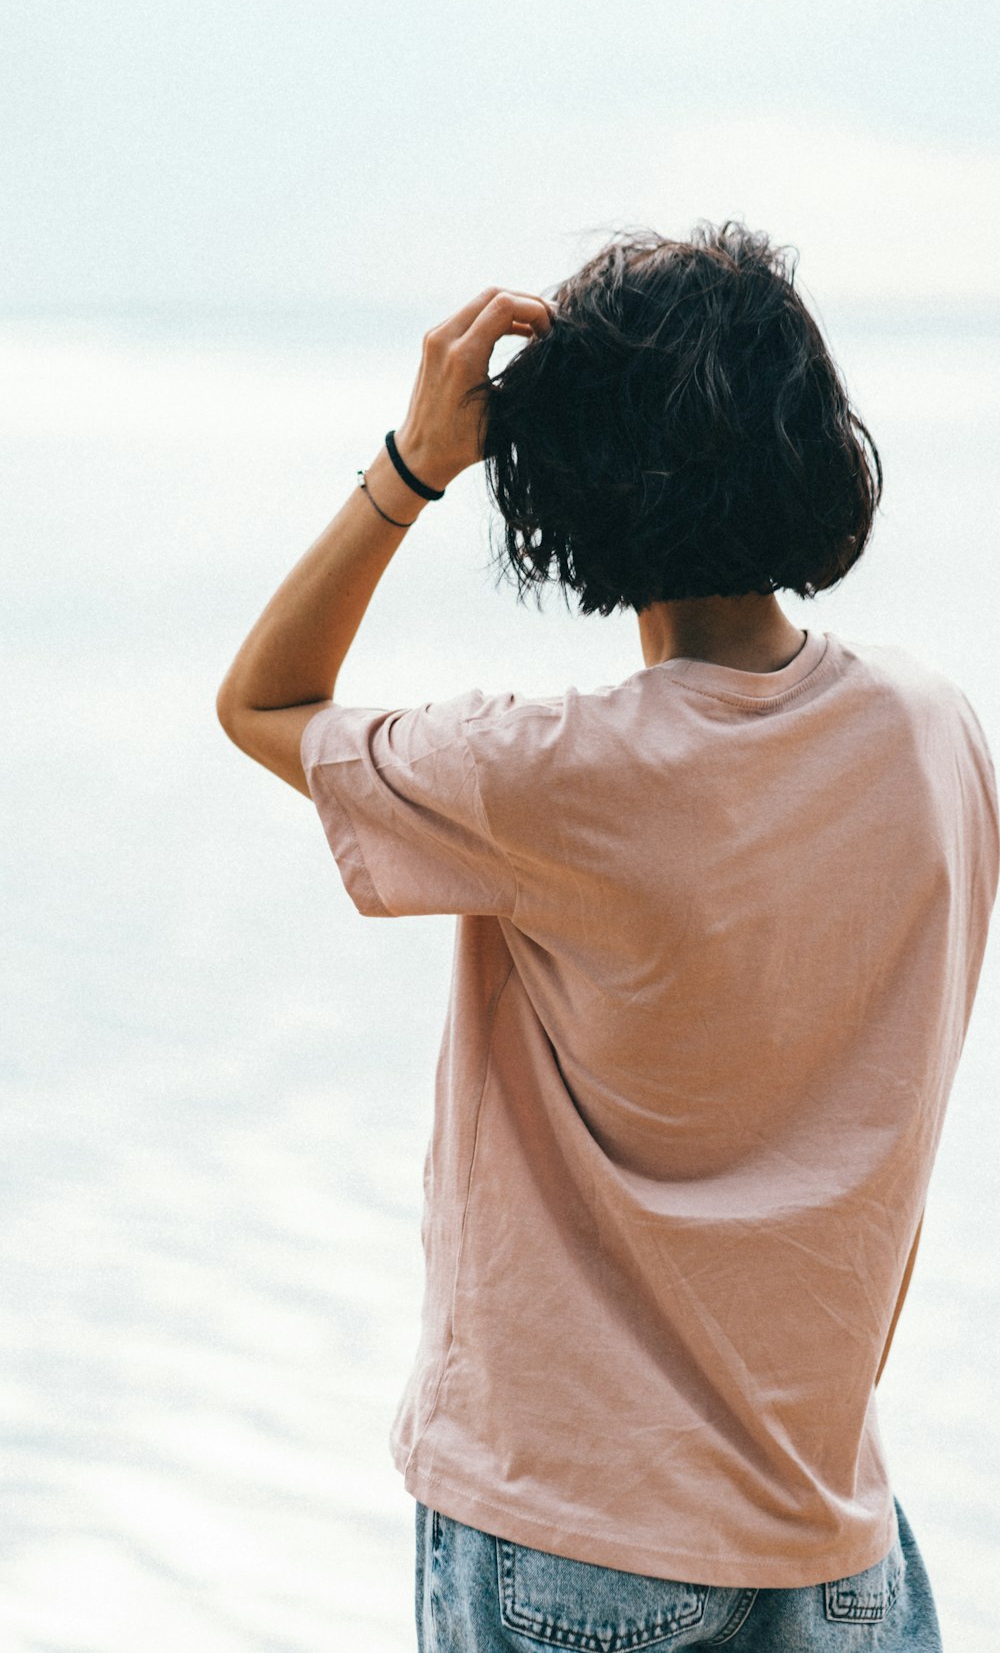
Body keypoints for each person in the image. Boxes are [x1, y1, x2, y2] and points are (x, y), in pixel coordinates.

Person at [216, 220, 998, 1651]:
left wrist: (412, 465)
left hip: (573, 1530)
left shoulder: (550, 776)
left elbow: (263, 700)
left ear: (568, 493)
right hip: (837, 1541)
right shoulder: (939, 740)